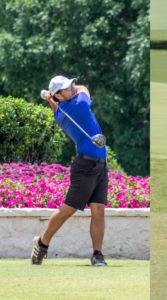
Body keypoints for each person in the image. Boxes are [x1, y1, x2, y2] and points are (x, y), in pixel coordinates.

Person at [31, 75, 108, 266]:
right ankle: (41, 244)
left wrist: (52, 98)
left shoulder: (60, 112)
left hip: (100, 164)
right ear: (58, 94)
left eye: (72, 84)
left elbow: (57, 106)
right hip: (86, 166)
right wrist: (60, 94)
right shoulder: (79, 106)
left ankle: (97, 254)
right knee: (69, 209)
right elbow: (84, 89)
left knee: (98, 209)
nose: (73, 88)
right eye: (67, 87)